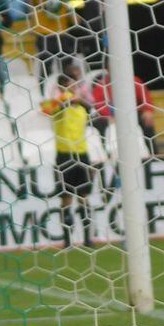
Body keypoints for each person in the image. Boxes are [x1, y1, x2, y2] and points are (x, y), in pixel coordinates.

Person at [41, 72, 95, 249]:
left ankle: (88, 239)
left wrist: (79, 101)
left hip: (82, 154)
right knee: (65, 199)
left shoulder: (82, 107)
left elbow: (94, 110)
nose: (74, 88)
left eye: (75, 84)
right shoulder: (57, 105)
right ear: (63, 86)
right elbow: (45, 109)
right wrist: (68, 99)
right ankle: (67, 240)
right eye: (71, 84)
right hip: (64, 156)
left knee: (84, 197)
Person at [28, 0, 75, 94]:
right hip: (44, 32)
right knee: (46, 64)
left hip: (61, 31)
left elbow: (66, 6)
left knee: (67, 62)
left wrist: (73, 17)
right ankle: (44, 93)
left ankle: (65, 91)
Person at [91, 71, 157, 155]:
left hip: (133, 114)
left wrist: (147, 110)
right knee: (100, 124)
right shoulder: (101, 85)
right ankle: (106, 155)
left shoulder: (134, 81)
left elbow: (145, 99)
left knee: (146, 120)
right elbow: (99, 104)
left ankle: (152, 154)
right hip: (111, 117)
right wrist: (108, 116)